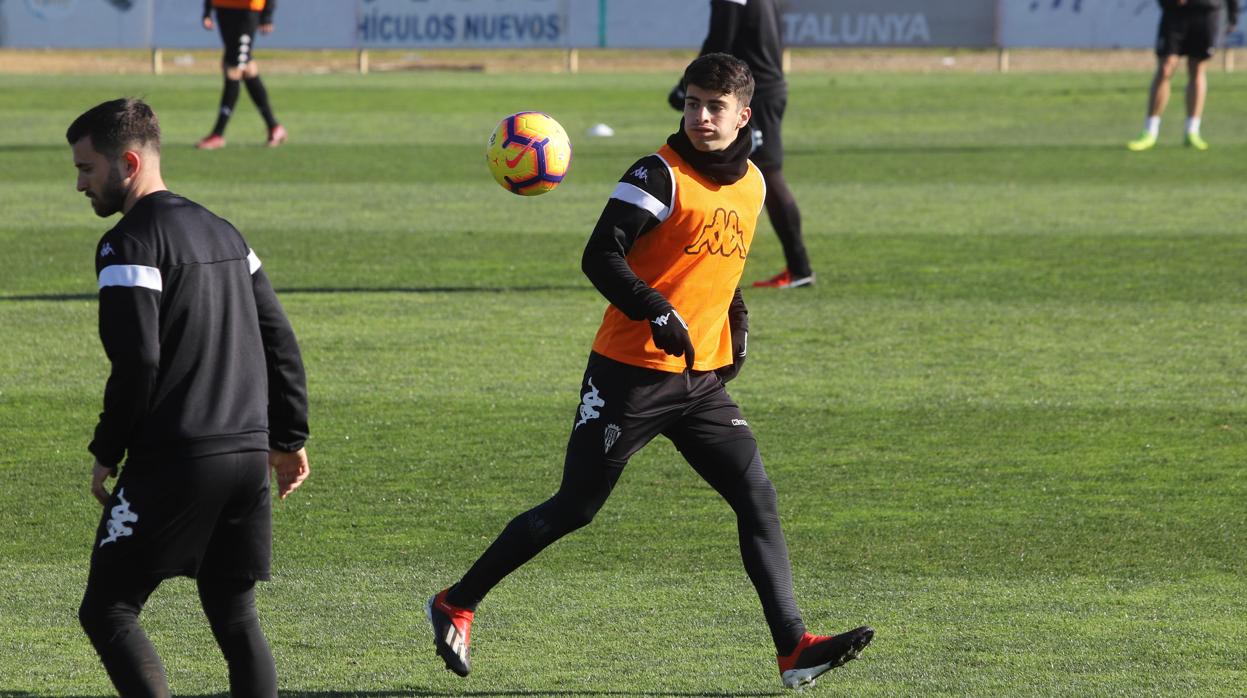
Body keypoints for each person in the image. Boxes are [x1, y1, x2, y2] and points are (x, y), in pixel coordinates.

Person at [426, 54, 872, 691]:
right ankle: (457, 602)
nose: (700, 117)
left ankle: (794, 647)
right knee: (576, 507)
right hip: (628, 375)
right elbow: (599, 255)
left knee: (757, 498)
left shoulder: (752, 183)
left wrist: (737, 323)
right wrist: (654, 309)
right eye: (692, 103)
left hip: (699, 380)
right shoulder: (657, 174)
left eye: (715, 107)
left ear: (744, 115)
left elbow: (723, 267)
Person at [68, 98, 310, 697]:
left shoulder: (128, 244)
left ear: (128, 163)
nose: (80, 185)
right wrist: (287, 438)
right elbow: (280, 339)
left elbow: (138, 362)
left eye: (87, 169)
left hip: (178, 458)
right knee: (235, 615)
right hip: (246, 458)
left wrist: (107, 449)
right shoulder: (224, 232)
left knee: (109, 609)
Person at [670, 0, 812, 289]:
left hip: (751, 93)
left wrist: (688, 85)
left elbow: (720, 41)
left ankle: (799, 269)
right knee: (729, 167)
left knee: (768, 173)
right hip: (761, 88)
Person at [1128, 0, 1238, 151]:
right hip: (1175, 13)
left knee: (1197, 67)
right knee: (1166, 68)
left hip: (1206, 12)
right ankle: (1150, 131)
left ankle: (1192, 130)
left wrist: (1233, 15)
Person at [197, 0, 287, 150]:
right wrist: (208, 9)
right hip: (223, 8)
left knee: (233, 68)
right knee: (247, 68)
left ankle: (217, 134)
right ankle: (274, 127)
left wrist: (267, 14)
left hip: (247, 10)